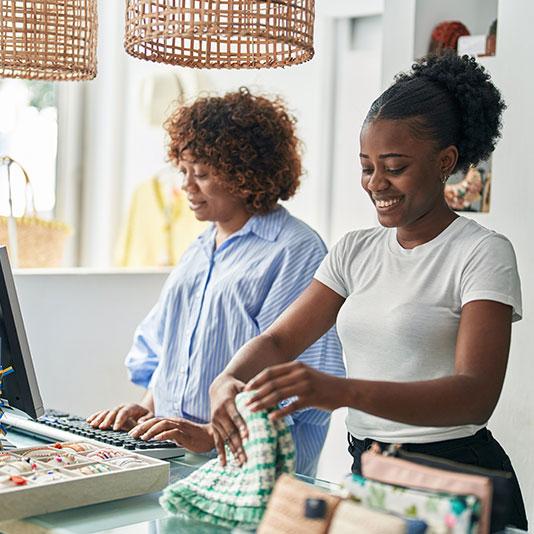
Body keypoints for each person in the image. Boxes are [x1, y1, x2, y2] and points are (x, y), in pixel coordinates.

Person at [209, 55, 528, 529]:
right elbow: (278, 342)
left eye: (394, 167)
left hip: (456, 479)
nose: (376, 184)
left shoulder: (482, 253)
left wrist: (339, 391)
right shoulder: (354, 250)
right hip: (370, 472)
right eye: (366, 167)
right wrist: (227, 379)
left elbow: (474, 395)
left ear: (446, 162)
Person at [86, 88, 345, 476]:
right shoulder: (201, 247)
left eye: (202, 174)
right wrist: (149, 409)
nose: (187, 186)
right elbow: (171, 353)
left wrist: (212, 433)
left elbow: (294, 382)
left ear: (246, 174)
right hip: (180, 463)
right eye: (184, 171)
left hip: (252, 475)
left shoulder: (294, 251)